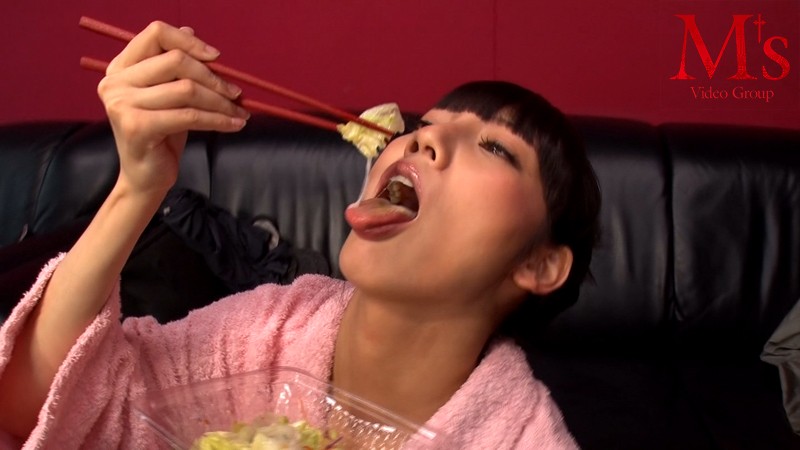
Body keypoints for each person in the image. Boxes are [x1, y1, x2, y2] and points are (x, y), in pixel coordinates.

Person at [0, 20, 600, 449]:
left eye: (494, 147)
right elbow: (49, 408)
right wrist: (138, 187)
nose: (423, 138)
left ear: (540, 264)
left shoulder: (523, 437)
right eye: (423, 125)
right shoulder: (269, 332)